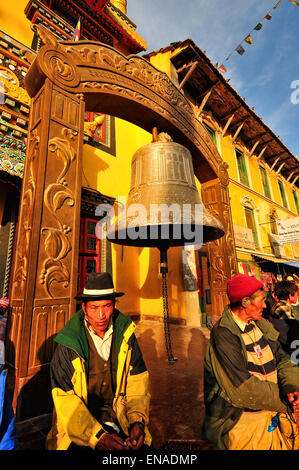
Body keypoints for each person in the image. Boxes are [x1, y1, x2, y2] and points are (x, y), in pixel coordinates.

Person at [46, 272, 151, 451]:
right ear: (84, 308)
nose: (101, 315)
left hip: (119, 415)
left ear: (114, 305)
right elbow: (66, 400)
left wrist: (136, 421)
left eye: (107, 306)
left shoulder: (126, 335)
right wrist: (97, 437)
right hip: (80, 425)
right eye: (94, 308)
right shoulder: (68, 343)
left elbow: (137, 383)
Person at [203, 273, 299, 450]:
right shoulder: (224, 334)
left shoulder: (259, 324)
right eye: (261, 299)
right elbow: (243, 389)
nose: (265, 304)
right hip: (240, 423)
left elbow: (283, 358)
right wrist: (287, 401)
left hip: (271, 417)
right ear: (245, 302)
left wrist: (291, 387)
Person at [269, 280, 299, 357]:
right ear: (289, 295)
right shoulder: (282, 308)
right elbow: (292, 330)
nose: (297, 297)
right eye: (296, 294)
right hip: (286, 351)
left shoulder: (282, 305)